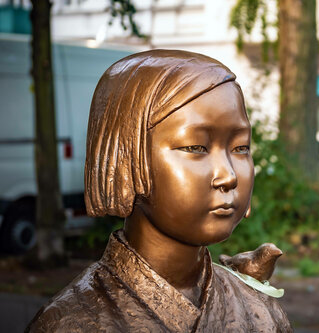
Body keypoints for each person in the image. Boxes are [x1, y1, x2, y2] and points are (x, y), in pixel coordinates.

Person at [26, 50, 292, 332]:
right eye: (196, 147)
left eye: (240, 148)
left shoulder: (260, 311)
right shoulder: (69, 324)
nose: (228, 175)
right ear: (125, 157)